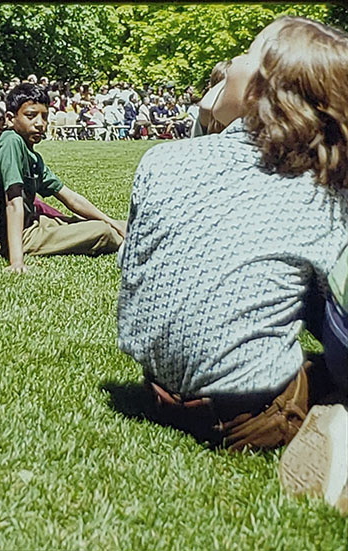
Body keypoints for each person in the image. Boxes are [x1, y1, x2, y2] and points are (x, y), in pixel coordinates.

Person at [118, 17, 348, 454]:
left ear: (261, 89)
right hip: (253, 418)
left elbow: (132, 268)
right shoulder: (322, 193)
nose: (238, 62)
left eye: (250, 54)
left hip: (153, 393)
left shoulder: (161, 160)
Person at [0, 83, 125, 273]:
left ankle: (130, 232)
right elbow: (13, 203)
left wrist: (111, 221)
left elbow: (70, 197)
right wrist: (16, 262)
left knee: (117, 225)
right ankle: (138, 241)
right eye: (31, 115)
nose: (39, 123)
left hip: (30, 222)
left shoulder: (32, 155)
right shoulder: (11, 143)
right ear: (11, 119)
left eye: (44, 116)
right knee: (101, 232)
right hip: (2, 237)